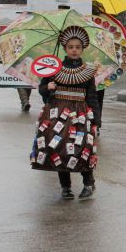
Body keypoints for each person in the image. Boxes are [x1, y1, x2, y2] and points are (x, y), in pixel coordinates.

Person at [30, 26, 101, 200]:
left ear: (83, 49)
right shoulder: (52, 69)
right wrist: (48, 87)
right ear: (64, 49)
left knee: (82, 148)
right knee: (59, 149)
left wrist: (96, 120)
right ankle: (66, 187)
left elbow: (92, 96)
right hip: (57, 113)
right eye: (71, 47)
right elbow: (41, 90)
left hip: (81, 114)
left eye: (77, 47)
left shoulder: (88, 71)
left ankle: (88, 182)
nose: (74, 50)